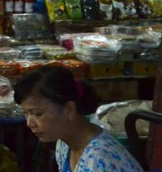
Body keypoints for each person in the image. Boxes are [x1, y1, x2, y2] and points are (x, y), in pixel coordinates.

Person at [14, 66, 143, 172]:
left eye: (37, 114)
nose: (29, 123)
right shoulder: (64, 142)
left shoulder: (99, 160)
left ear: (69, 109)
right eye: (26, 113)